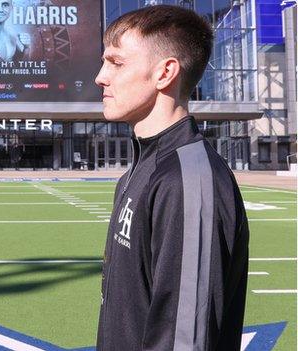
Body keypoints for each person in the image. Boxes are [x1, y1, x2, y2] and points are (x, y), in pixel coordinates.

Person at [94, 5, 249, 350]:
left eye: (117, 63)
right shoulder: (141, 169)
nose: (101, 76)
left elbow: (185, 341)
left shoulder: (187, 179)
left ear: (165, 73)